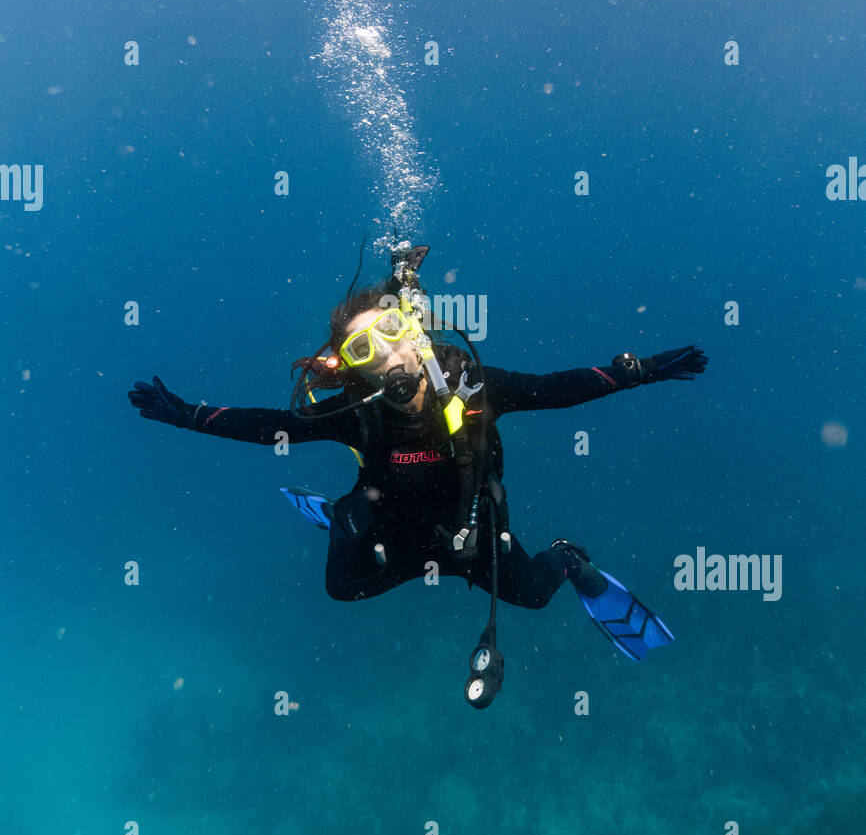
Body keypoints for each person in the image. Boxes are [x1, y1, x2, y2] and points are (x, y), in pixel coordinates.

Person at [128, 252, 709, 685]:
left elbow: (560, 389)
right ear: (355, 369)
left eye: (388, 333)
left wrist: (642, 369)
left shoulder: (474, 384)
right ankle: (343, 519)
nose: (383, 355)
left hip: (474, 533)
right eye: (362, 352)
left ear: (414, 330)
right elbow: (270, 427)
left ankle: (571, 560)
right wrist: (187, 414)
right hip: (397, 535)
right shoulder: (357, 414)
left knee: (533, 594)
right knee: (340, 588)